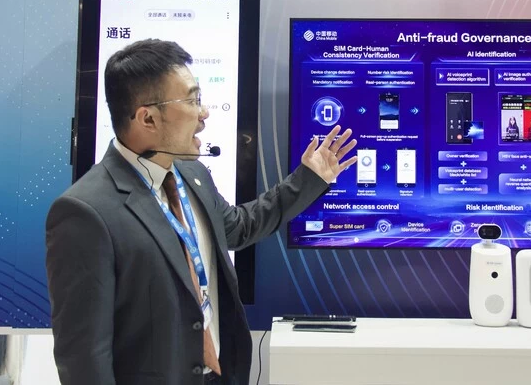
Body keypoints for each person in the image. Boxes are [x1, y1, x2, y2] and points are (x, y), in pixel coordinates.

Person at [45, 39, 357, 385]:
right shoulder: (85, 212)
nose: (204, 113)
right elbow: (85, 356)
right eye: (192, 100)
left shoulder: (191, 174)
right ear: (148, 118)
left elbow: (240, 227)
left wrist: (309, 179)